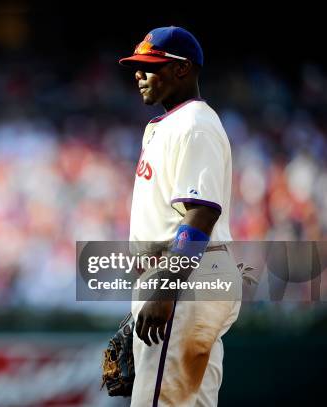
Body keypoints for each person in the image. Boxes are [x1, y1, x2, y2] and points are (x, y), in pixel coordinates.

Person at [119, 26, 242, 406]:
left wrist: (164, 287)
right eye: (137, 67)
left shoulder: (194, 125)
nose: (139, 74)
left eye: (150, 66)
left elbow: (201, 214)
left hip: (185, 281)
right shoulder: (168, 125)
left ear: (182, 69)